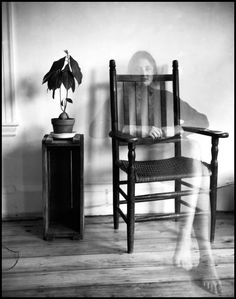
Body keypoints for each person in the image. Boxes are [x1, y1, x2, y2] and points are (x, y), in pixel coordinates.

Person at [122, 51, 222, 295]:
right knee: (201, 177)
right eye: (139, 68)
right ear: (132, 72)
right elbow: (112, 128)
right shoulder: (122, 97)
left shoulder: (166, 96)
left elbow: (202, 121)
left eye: (149, 68)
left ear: (153, 72)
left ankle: (191, 242)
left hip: (173, 156)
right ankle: (200, 252)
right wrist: (144, 130)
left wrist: (169, 129)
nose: (144, 73)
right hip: (143, 159)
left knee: (196, 149)